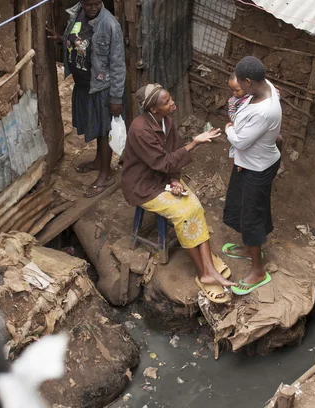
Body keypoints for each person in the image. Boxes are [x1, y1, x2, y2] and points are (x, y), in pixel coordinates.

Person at [121, 83, 234, 303]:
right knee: (184, 214)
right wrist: (194, 143)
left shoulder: (166, 121)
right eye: (167, 102)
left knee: (195, 205)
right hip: (143, 185)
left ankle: (208, 266)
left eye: (171, 99)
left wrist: (174, 179)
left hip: (162, 178)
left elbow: (171, 155)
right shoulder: (140, 129)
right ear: (153, 110)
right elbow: (162, 161)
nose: (172, 103)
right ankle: (204, 273)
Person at [47, 0, 126, 198]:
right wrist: (62, 40)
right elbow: (80, 40)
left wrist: (116, 97)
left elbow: (118, 63)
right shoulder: (76, 15)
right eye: (89, 4)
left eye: (97, 4)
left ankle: (105, 174)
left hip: (102, 86)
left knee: (104, 130)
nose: (93, 8)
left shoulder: (110, 25)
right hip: (83, 83)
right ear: (81, 2)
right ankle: (99, 161)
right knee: (95, 128)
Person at [223, 56, 282, 295]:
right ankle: (250, 248)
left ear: (249, 81)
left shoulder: (264, 111)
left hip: (257, 167)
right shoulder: (264, 85)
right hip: (249, 163)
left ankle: (258, 270)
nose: (238, 88)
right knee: (242, 205)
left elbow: (241, 141)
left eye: (240, 83)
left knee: (251, 215)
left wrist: (228, 128)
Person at [227, 73, 285, 174]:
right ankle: (242, 163)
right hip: (245, 128)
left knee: (279, 139)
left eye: (237, 90)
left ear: (246, 84)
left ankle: (278, 161)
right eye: (232, 90)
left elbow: (274, 93)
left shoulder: (255, 95)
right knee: (244, 146)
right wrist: (236, 123)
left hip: (262, 126)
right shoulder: (233, 101)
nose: (234, 93)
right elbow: (232, 114)